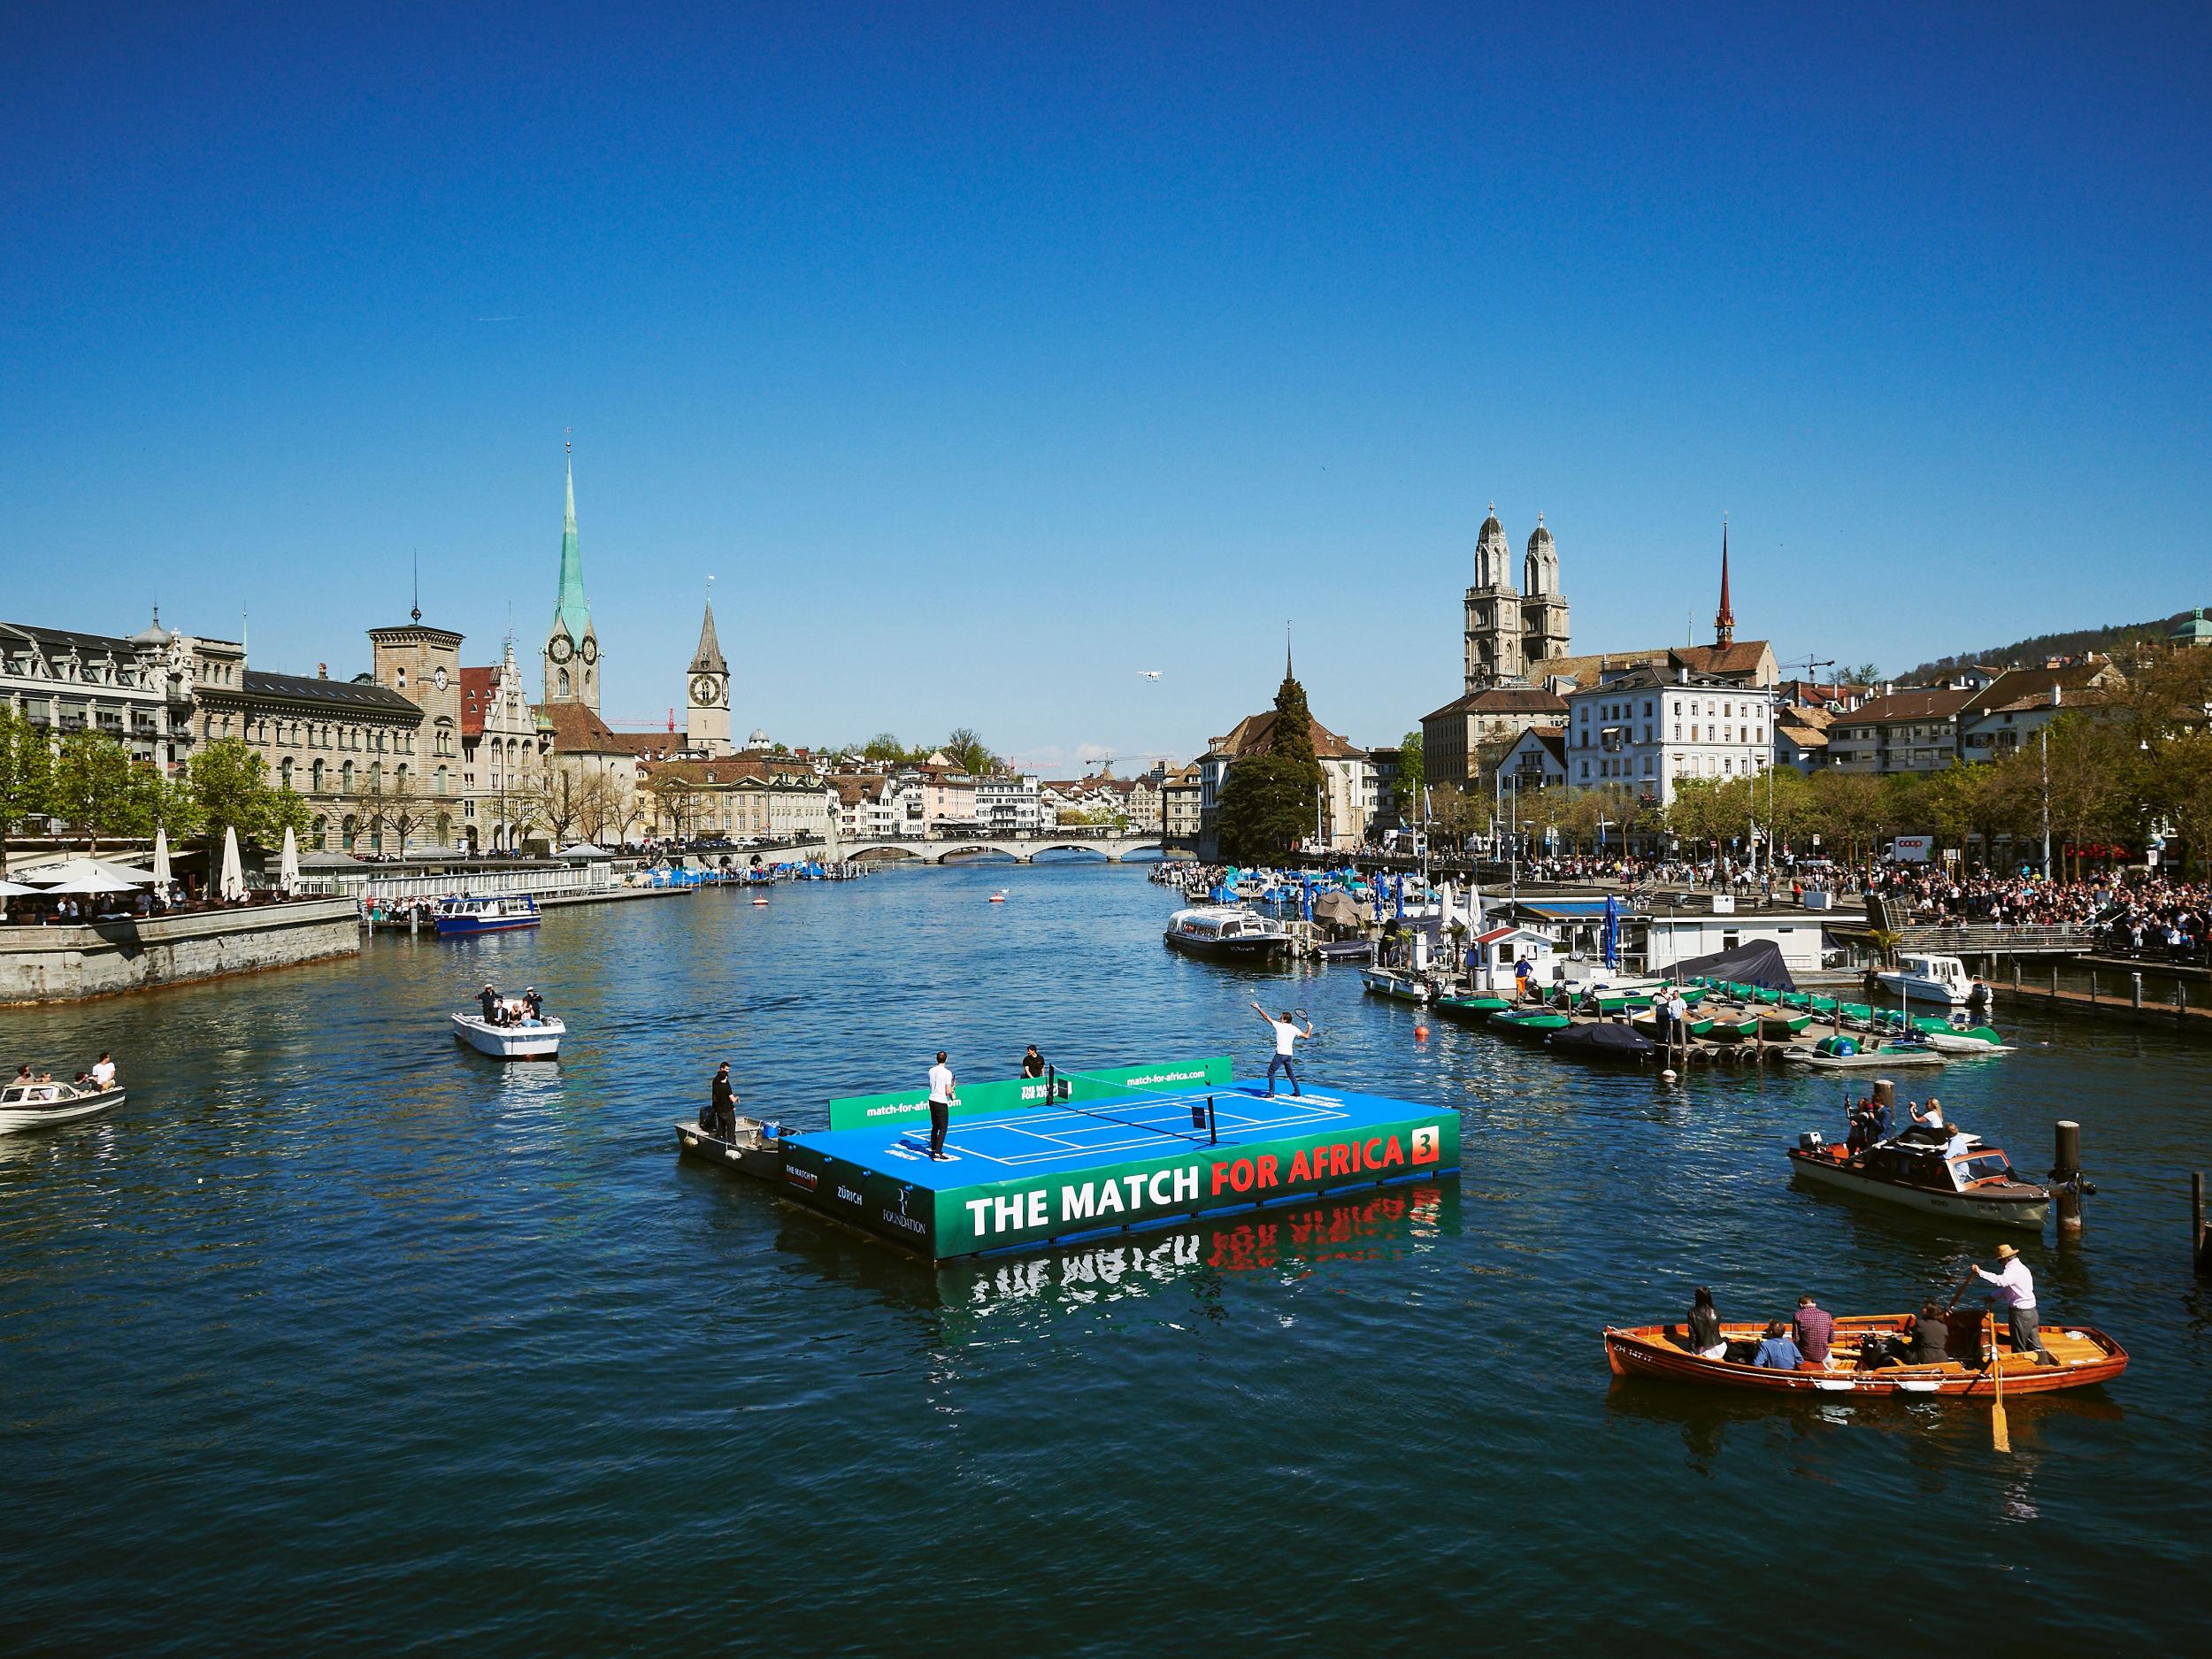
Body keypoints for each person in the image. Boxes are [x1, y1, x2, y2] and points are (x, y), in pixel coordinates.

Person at [1972, 1242, 2057, 1366]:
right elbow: (2009, 1288)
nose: (2000, 1264)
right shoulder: (2022, 1268)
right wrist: (1993, 1296)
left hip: (2021, 1315)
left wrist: (1980, 1272)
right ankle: (2045, 1366)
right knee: (2035, 1344)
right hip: (2031, 1313)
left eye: (1999, 1261)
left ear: (2004, 1259)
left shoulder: (2013, 1270)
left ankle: (2020, 1369)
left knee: (2018, 1346)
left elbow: (2000, 1281)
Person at [1250, 1002, 1311, 1097]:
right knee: (1290, 1074)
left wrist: (1258, 1008)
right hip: (1289, 1055)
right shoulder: (1294, 1028)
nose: (1280, 1019)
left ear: (1285, 1020)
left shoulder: (1280, 1025)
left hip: (1280, 1054)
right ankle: (1297, 1092)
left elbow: (1266, 1017)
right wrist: (1310, 1027)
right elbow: (1307, 1036)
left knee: (1270, 1072)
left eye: (1281, 1018)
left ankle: (1271, 1093)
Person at [926, 1050, 957, 1160]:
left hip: (932, 1100)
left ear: (937, 1059)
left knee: (935, 1126)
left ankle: (934, 1148)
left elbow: (932, 1085)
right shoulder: (947, 1073)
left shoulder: (931, 1071)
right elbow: (948, 1090)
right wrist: (953, 1094)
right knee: (943, 1129)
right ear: (946, 1059)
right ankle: (937, 1153)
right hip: (941, 1102)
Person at [1793, 1294, 1835, 1368]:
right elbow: (1832, 1339)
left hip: (1805, 1354)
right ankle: (1833, 1370)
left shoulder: (1798, 1315)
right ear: (1814, 1304)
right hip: (1823, 1354)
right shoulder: (1827, 1315)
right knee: (1827, 1352)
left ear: (1801, 1305)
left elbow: (1796, 1338)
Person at [1686, 1286, 1725, 1361]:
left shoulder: (1692, 1312)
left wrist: (1691, 1350)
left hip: (1703, 1350)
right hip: (1720, 1348)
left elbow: (1692, 1334)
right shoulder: (1716, 1311)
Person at [1909, 1299, 1951, 1365]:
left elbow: (1914, 1345)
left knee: (1898, 1346)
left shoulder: (1920, 1323)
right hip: (1942, 1359)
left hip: (1925, 1358)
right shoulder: (1944, 1326)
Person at [710, 1061, 737, 1141]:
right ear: (722, 1069)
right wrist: (733, 1103)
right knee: (731, 1124)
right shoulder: (725, 1083)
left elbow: (715, 1096)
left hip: (719, 1107)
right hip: (726, 1108)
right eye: (726, 1069)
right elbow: (729, 1096)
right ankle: (731, 1141)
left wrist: (715, 1107)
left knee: (721, 1124)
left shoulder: (716, 1081)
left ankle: (720, 1138)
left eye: (729, 1070)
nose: (728, 1072)